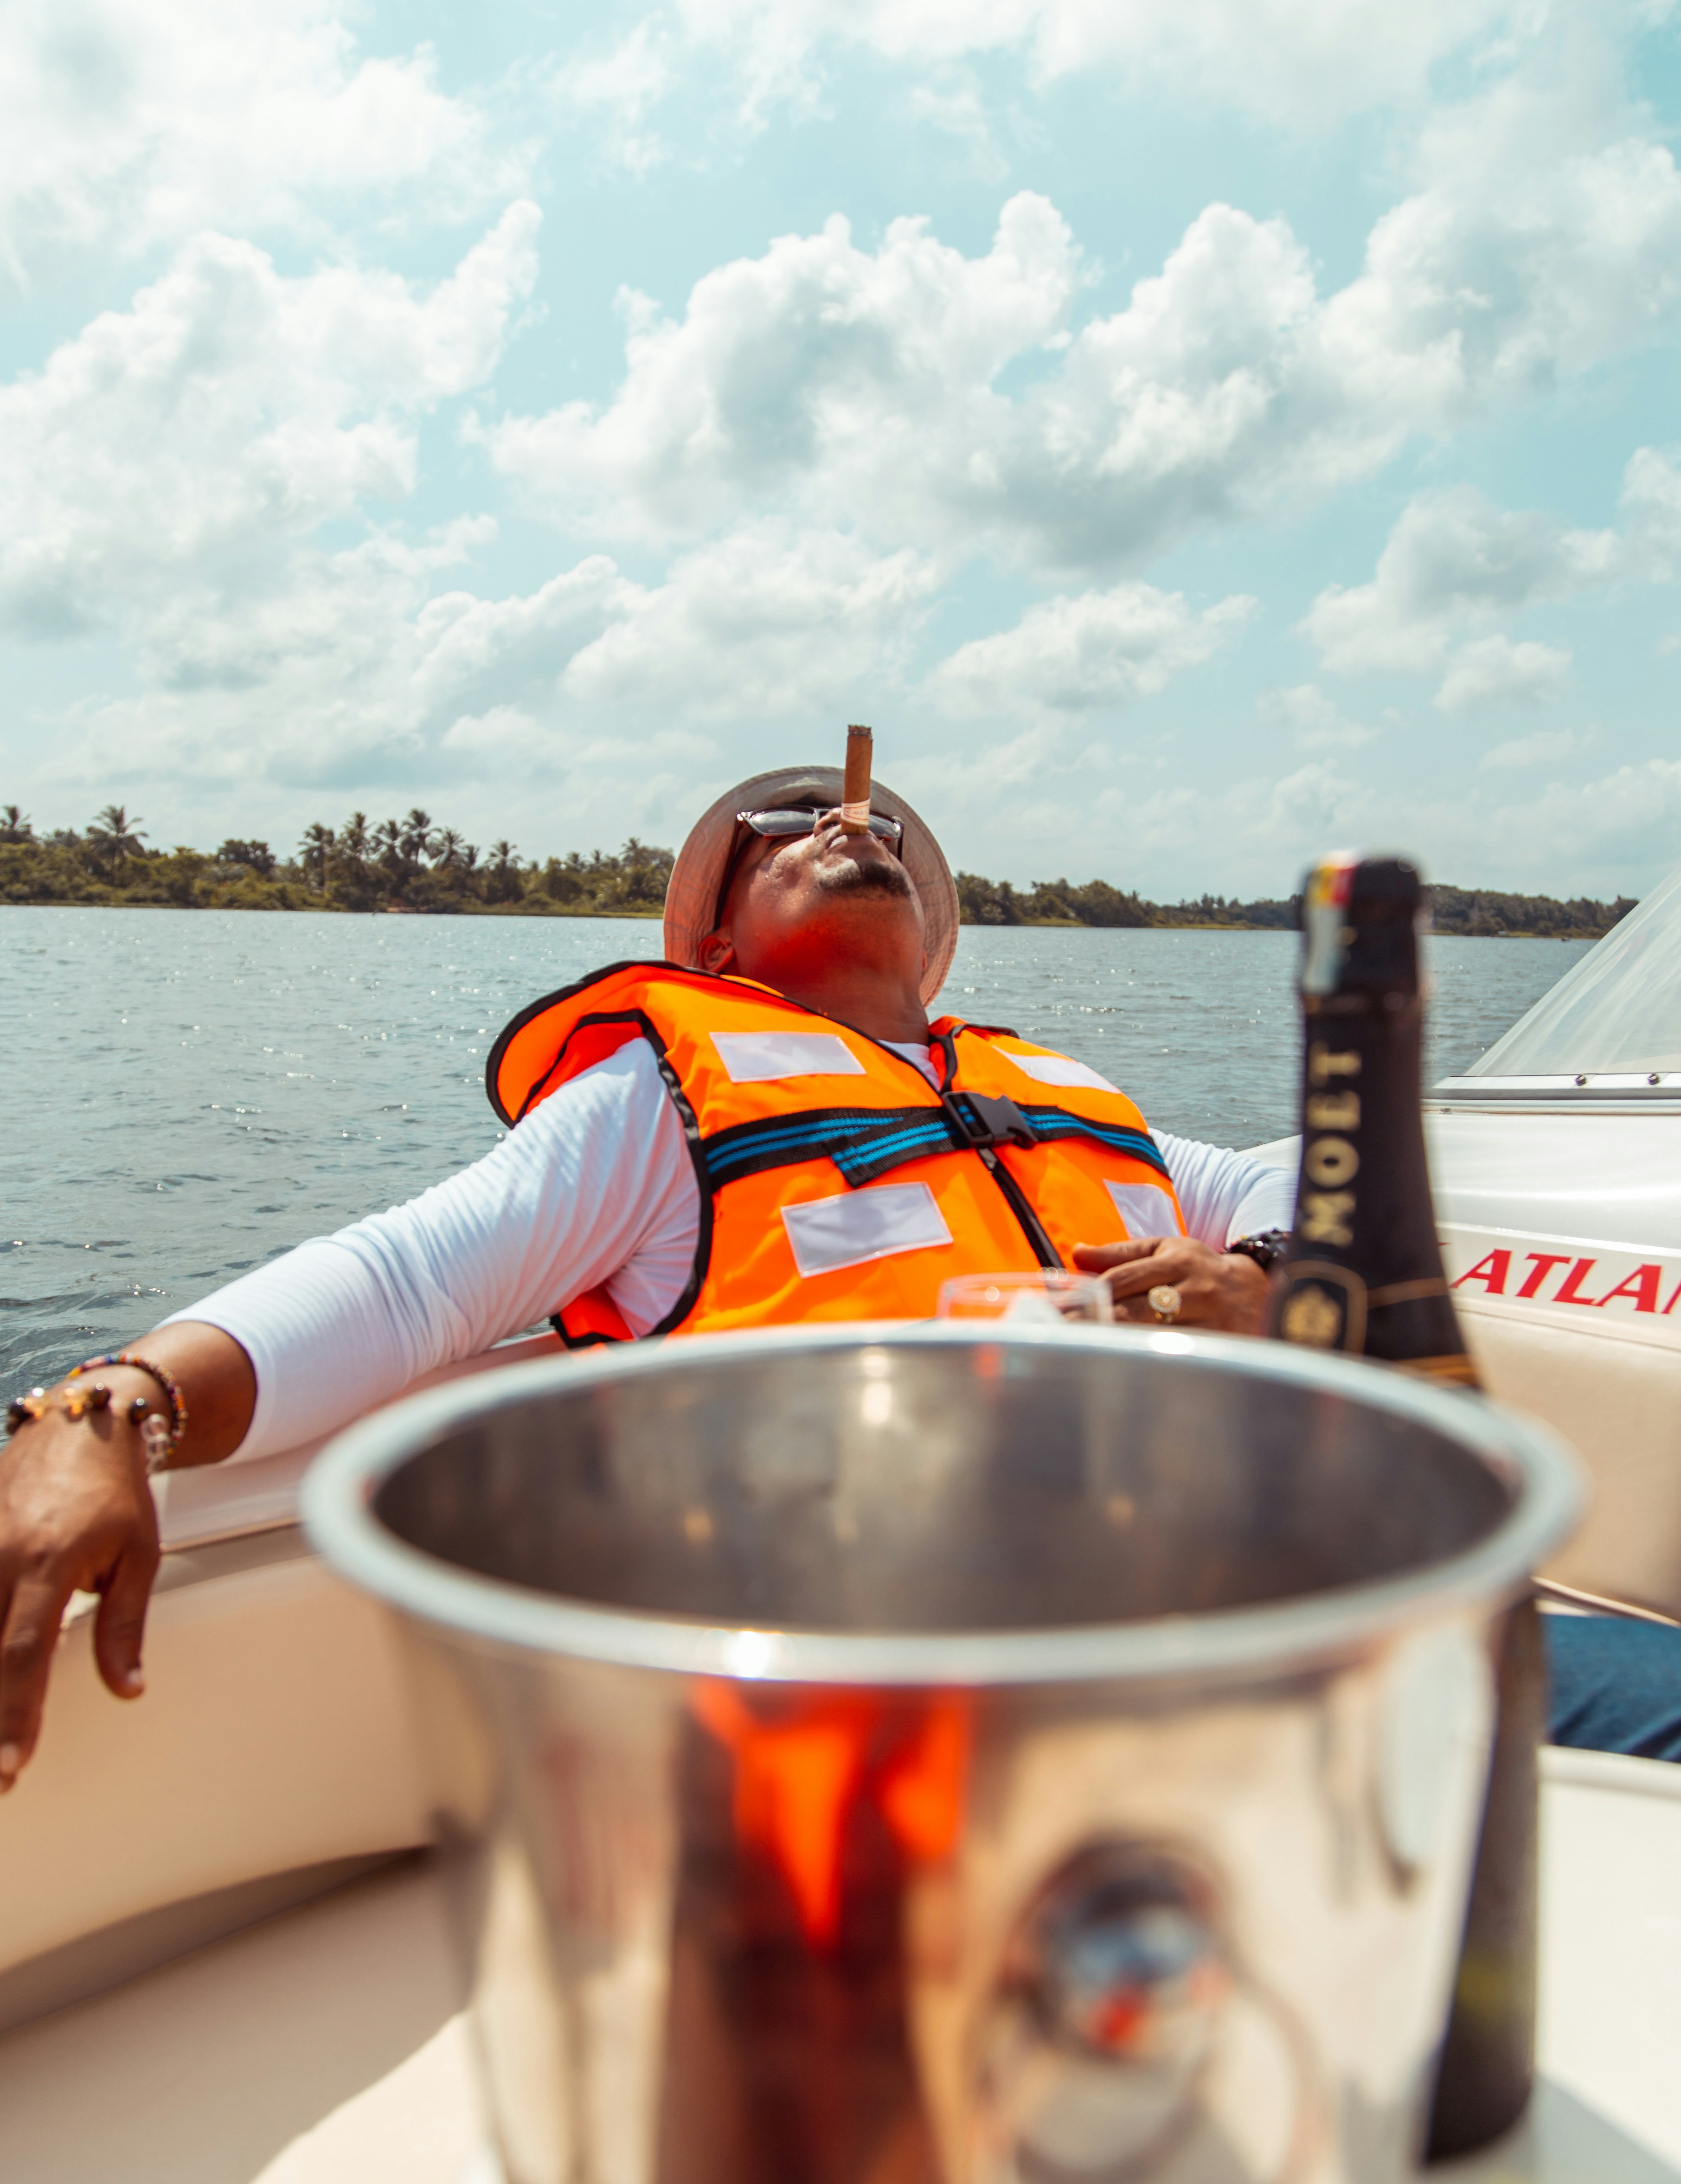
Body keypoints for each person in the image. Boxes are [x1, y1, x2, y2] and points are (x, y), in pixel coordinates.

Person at [1, 763, 1664, 1783]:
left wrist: (1270, 1281)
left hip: (1305, 1623)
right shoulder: (658, 1100)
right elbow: (410, 1280)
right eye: (789, 826)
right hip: (927, 1712)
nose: (844, 821)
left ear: (934, 946)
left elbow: (1333, 1190)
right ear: (710, 943)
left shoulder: (1083, 1103)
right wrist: (105, 1402)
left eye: (869, 822)